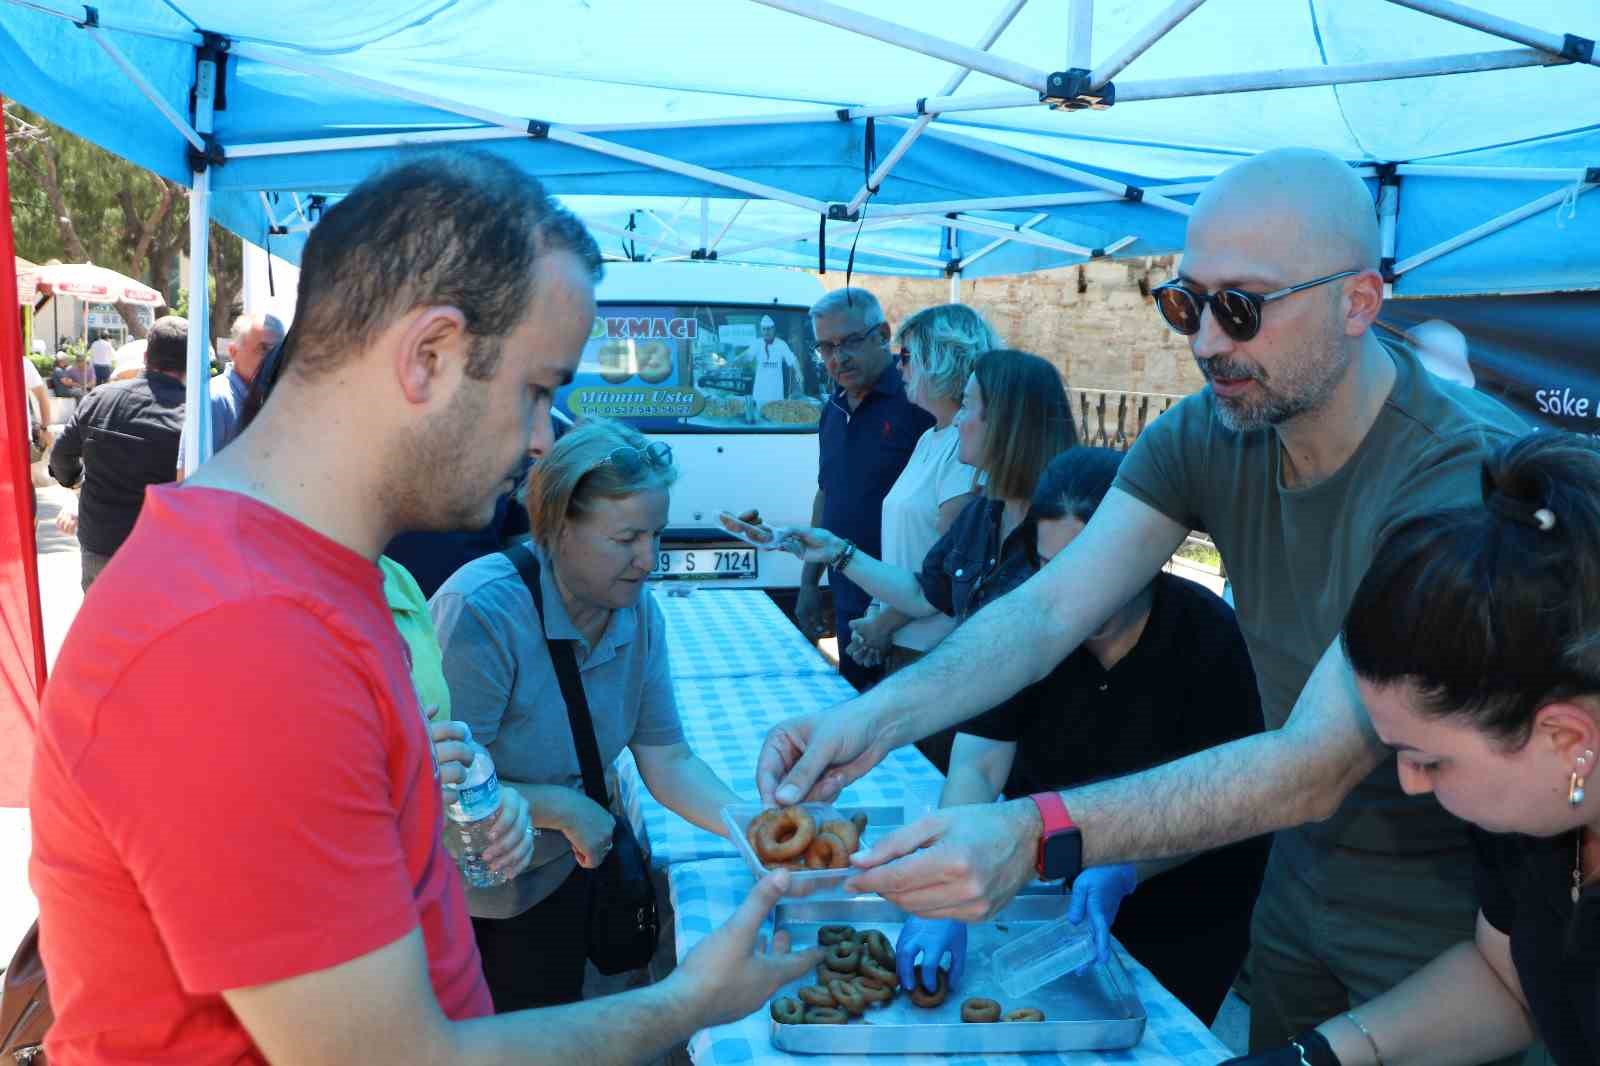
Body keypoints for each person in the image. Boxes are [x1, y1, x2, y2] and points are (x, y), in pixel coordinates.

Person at [30, 151, 818, 1066]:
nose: (539, 442)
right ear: (429, 357)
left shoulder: (309, 584)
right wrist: (683, 1004)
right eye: (537, 390)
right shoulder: (241, 640)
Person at [752, 147, 1529, 1054]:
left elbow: (1317, 763)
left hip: (1457, 913)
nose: (1204, 343)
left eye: (1241, 308)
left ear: (1358, 302)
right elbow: (1047, 613)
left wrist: (1041, 831)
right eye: (1185, 302)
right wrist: (873, 721)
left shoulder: (1455, 472)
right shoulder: (1213, 426)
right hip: (1296, 883)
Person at [1230, 431, 1597, 1065]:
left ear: (1566, 738)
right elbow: (1509, 979)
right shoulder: (1536, 814)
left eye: (1430, 760)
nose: (1409, 783)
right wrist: (1322, 1055)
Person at [903, 447, 1267, 1025]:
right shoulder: (1021, 620)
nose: (1072, 592)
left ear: (1145, 556)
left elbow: (1229, 797)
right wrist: (946, 883)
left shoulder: (1212, 641)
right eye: (1051, 568)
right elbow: (978, 768)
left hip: (1189, 902)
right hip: (1052, 886)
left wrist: (1127, 867)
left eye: (1093, 568)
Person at [431, 418, 747, 1011]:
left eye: (656, 534)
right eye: (626, 538)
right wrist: (567, 807)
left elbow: (669, 758)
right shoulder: (481, 612)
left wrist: (748, 825)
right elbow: (436, 779)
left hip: (557, 878)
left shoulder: (637, 610)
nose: (648, 559)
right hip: (465, 902)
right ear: (557, 528)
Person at [776, 348, 1075, 771]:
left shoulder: (1062, 523)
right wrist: (836, 551)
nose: (956, 420)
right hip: (984, 737)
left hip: (1041, 753)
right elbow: (924, 592)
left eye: (969, 406)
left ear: (1006, 423)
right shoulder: (983, 514)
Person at [798, 287, 934, 691]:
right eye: (826, 347)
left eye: (850, 342)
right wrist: (809, 583)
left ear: (883, 334)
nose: (838, 358)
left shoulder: (919, 402)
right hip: (848, 596)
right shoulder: (833, 409)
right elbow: (828, 494)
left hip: (909, 607)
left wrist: (889, 618)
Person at [848, 303, 993, 673]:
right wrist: (876, 616)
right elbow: (905, 546)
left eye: (908, 356)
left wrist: (883, 624)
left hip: (935, 650)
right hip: (905, 638)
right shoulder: (931, 436)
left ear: (940, 360)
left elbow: (946, 567)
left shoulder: (967, 443)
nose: (900, 366)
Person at [47, 316, 188, 591]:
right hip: (156, 554)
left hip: (99, 547)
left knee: (98, 630)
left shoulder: (99, 399)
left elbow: (60, 457)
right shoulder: (191, 416)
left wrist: (75, 482)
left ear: (146, 356)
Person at [179, 312, 286, 462]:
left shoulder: (275, 399)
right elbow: (189, 474)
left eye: (279, 351)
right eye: (263, 349)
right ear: (233, 352)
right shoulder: (214, 401)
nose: (273, 359)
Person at [746, 313, 799, 417]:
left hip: (776, 395)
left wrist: (799, 372)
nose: (767, 331)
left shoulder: (781, 344)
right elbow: (746, 357)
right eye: (764, 329)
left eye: (769, 329)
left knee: (776, 420)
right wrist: (734, 361)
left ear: (774, 329)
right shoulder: (757, 343)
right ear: (761, 330)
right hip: (759, 394)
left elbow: (793, 360)